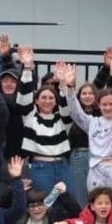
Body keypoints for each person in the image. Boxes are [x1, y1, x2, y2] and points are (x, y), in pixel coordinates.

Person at [63, 64, 112, 210]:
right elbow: (75, 112)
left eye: (111, 104)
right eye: (104, 104)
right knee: (97, 207)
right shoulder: (92, 122)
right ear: (98, 105)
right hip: (96, 170)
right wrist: (69, 87)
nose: (108, 107)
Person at [16, 46, 75, 192]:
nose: (47, 101)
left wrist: (62, 84)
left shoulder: (62, 119)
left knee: (69, 206)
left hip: (63, 167)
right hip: (40, 168)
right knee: (45, 206)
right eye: (43, 98)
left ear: (55, 101)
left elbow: (67, 106)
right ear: (36, 101)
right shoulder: (30, 117)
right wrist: (28, 68)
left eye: (51, 98)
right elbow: (24, 96)